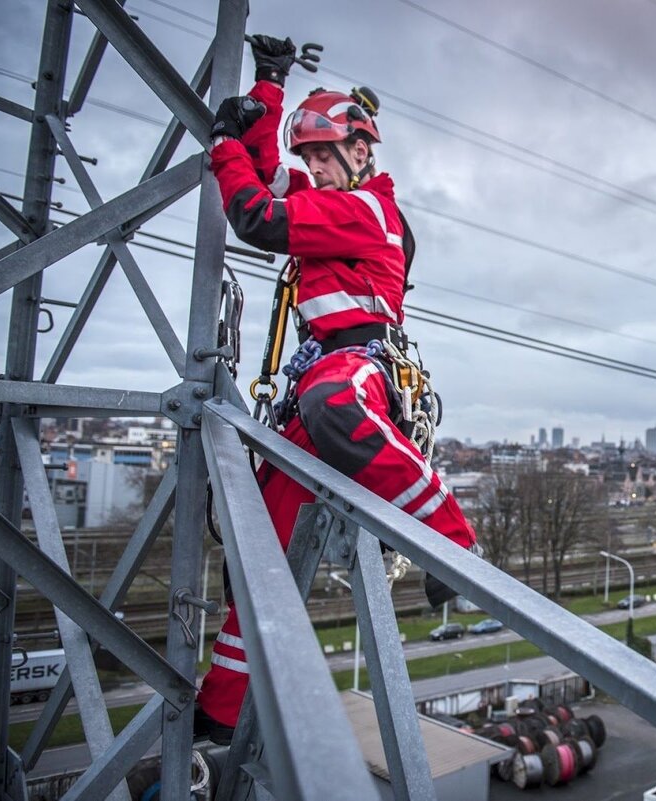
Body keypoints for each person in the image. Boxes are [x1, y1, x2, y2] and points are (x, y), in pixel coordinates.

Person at [195, 36, 476, 743]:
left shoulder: (367, 211)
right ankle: (222, 713)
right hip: (308, 380)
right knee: (255, 555)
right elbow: (265, 177)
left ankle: (453, 540)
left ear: (360, 150)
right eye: (310, 157)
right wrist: (267, 86)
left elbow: (255, 214)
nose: (314, 168)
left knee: (336, 406)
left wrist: (222, 144)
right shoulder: (326, 200)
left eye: (326, 155)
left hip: (355, 366)